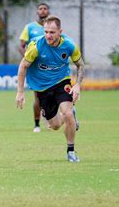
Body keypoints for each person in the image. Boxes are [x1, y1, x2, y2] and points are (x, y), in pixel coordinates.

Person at [15, 15, 84, 162]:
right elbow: (23, 67)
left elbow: (80, 65)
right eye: (46, 31)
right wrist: (20, 92)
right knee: (55, 125)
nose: (48, 35)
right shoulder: (36, 46)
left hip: (61, 81)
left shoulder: (70, 45)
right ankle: (67, 115)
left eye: (52, 32)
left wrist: (77, 84)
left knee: (68, 114)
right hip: (42, 87)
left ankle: (71, 151)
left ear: (60, 31)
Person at [18, 3, 50, 132]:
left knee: (51, 94)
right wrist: (28, 58)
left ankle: (49, 117)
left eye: (45, 8)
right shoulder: (30, 27)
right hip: (36, 66)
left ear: (48, 11)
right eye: (40, 8)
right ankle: (37, 124)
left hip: (50, 65)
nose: (42, 11)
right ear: (37, 11)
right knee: (38, 95)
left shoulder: (52, 27)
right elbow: (21, 45)